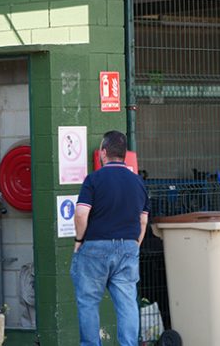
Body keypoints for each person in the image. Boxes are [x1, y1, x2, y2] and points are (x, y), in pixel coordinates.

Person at [70, 130, 150, 346]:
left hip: (95, 247)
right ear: (124, 154)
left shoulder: (94, 179)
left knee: (88, 302)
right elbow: (143, 221)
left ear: (103, 153)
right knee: (127, 304)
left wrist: (79, 241)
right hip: (128, 247)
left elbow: (81, 213)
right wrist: (135, 244)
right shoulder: (138, 182)